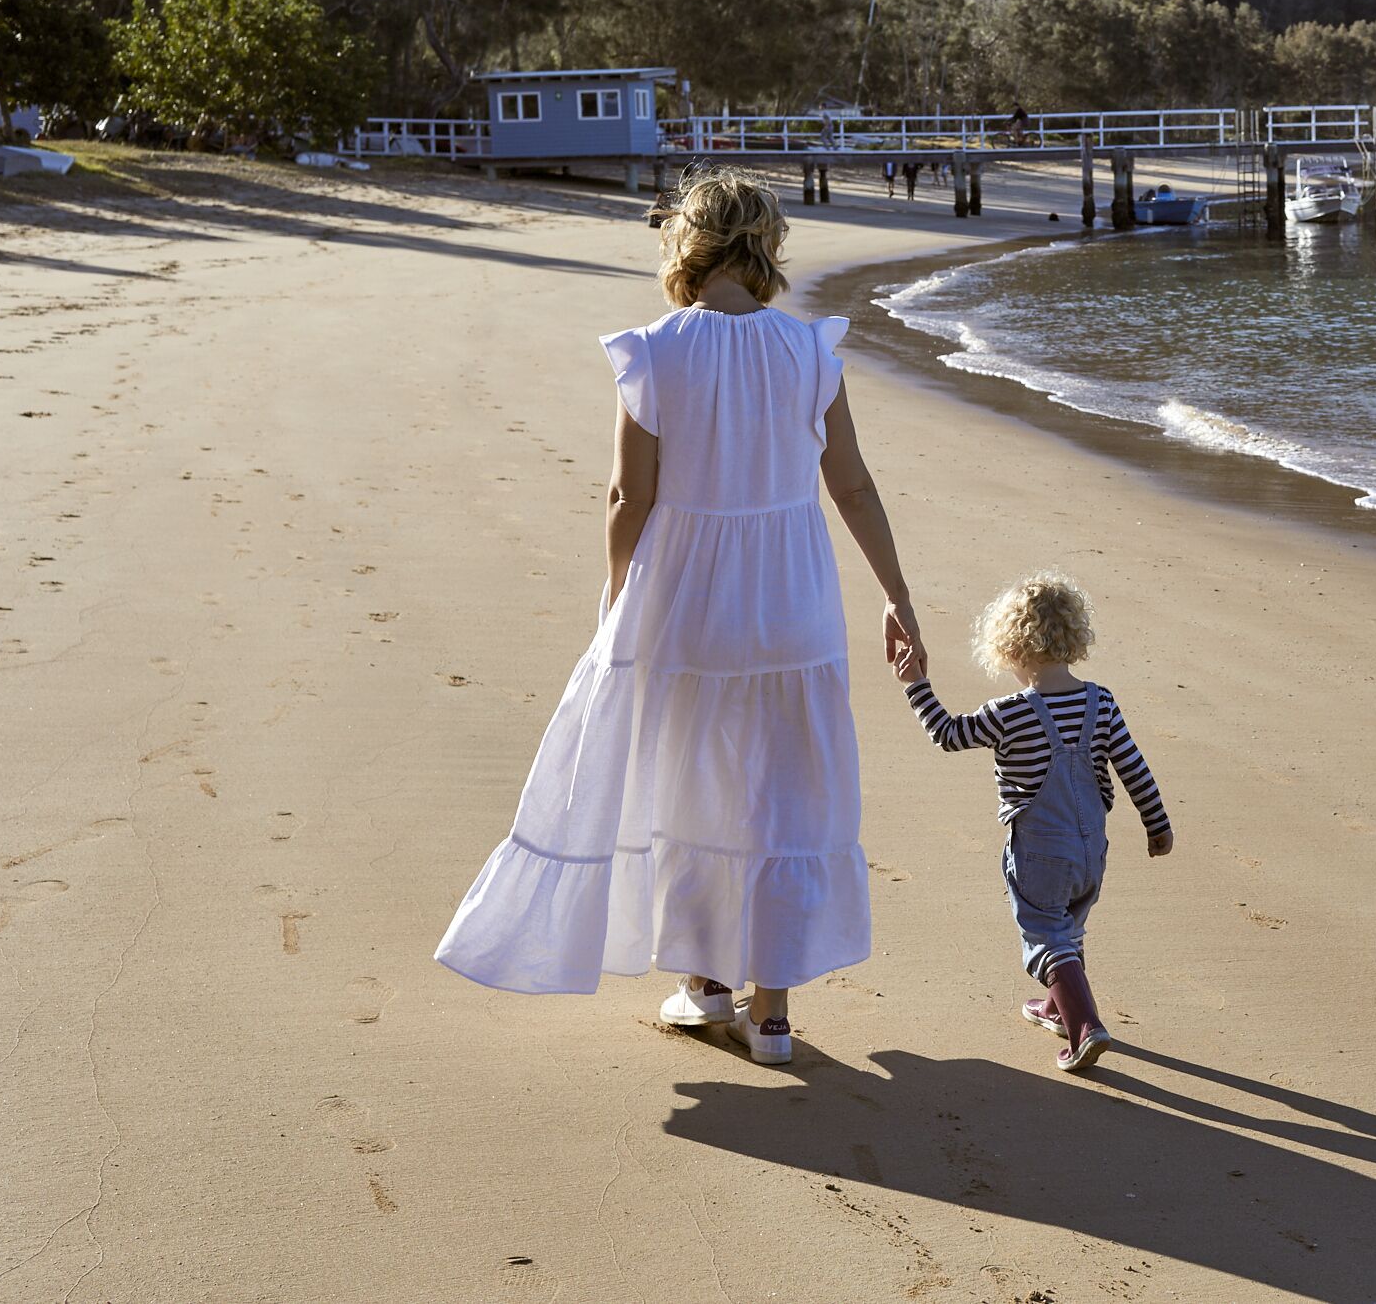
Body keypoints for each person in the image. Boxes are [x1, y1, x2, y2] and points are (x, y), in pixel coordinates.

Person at [436, 168, 925, 1068]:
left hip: (691, 598)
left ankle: (706, 986)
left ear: (685, 248)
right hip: (793, 597)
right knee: (786, 791)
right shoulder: (811, 352)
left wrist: (617, 592)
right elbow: (850, 485)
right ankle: (772, 1013)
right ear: (765, 246)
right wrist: (897, 595)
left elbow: (630, 495)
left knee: (697, 781)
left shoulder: (655, 353)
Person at [895, 574, 1170, 1074]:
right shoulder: (1100, 702)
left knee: (1045, 934)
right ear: (1072, 637)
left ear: (1011, 645)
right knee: (1069, 926)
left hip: (1039, 848)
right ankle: (1057, 1009)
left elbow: (949, 734)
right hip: (1092, 849)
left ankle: (1085, 1026)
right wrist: (1158, 824)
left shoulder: (1009, 712)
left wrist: (916, 684)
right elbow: (1133, 766)